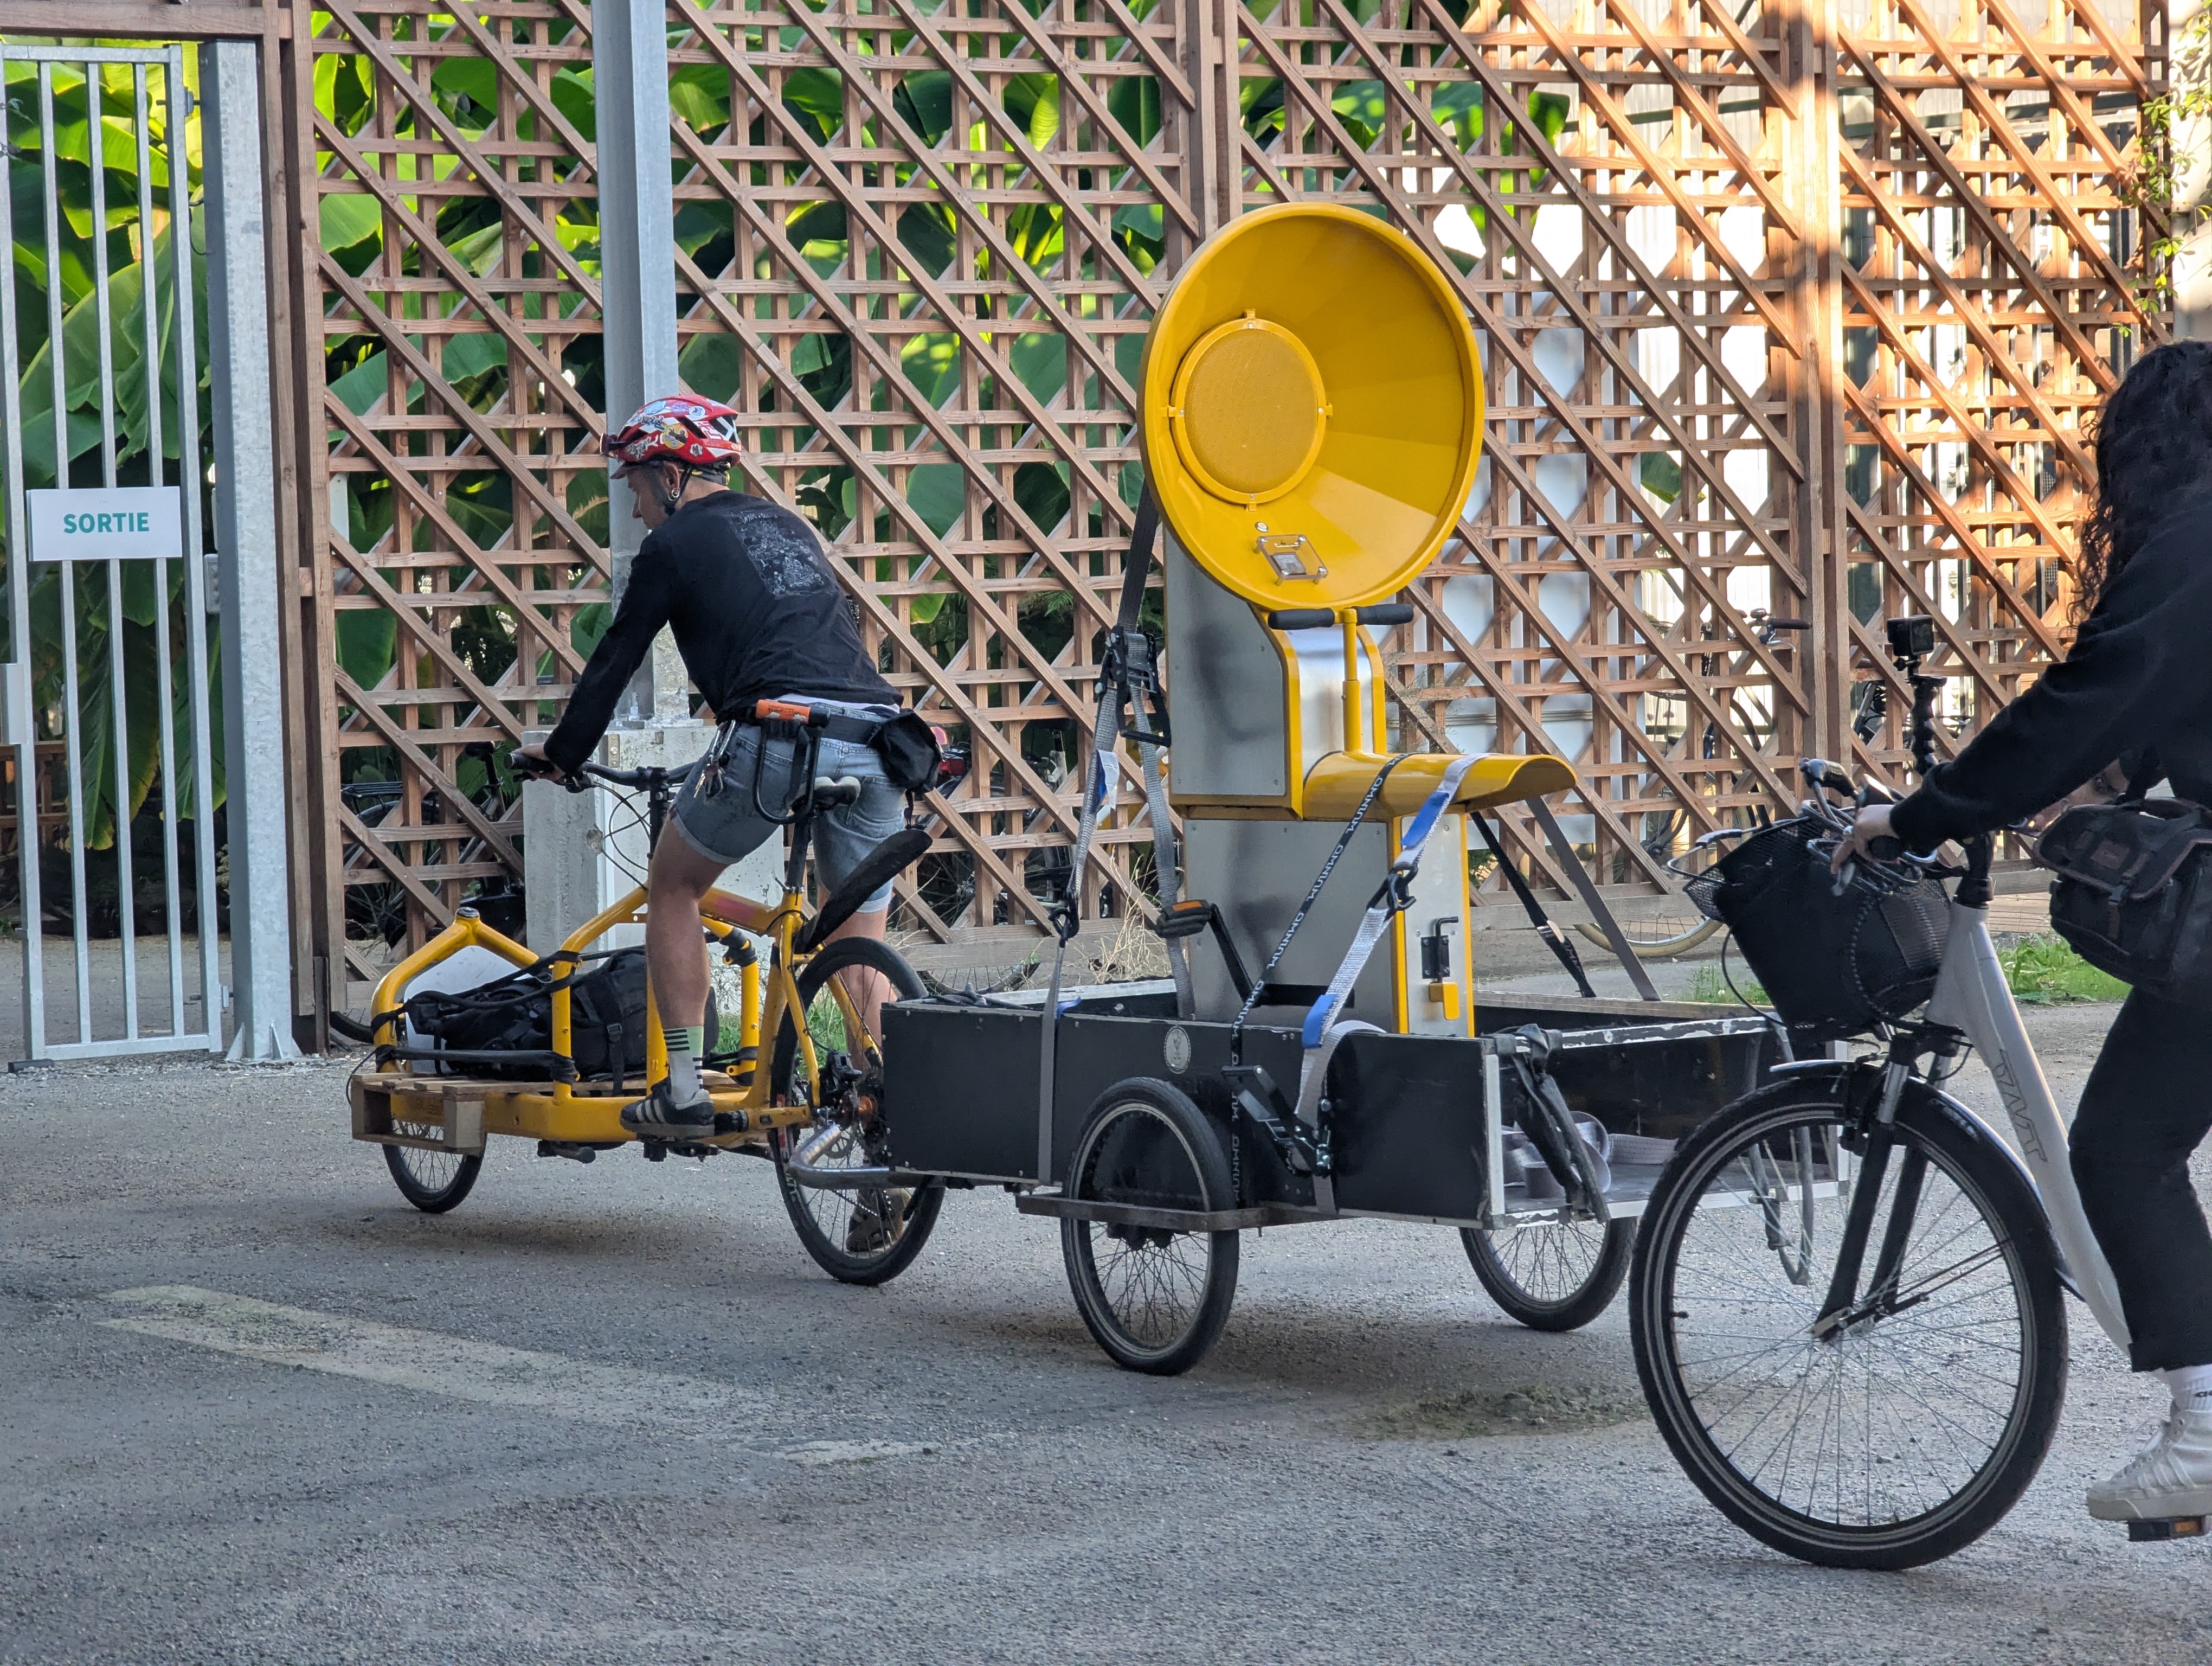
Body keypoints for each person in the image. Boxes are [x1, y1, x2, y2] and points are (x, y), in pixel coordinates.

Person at [1832, 339, 2212, 1524]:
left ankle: (2206, 1423)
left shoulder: (2197, 537)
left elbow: (2098, 689)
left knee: (2122, 1149)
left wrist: (1926, 811)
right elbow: (2157, 702)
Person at [513, 396, 905, 1140]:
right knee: (863, 938)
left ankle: (684, 1085)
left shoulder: (674, 544)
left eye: (633, 487)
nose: (634, 509)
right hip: (882, 737)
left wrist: (562, 755)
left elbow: (615, 659)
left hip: (780, 738)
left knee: (676, 885)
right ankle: (882, 1106)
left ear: (667, 474)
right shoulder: (789, 526)